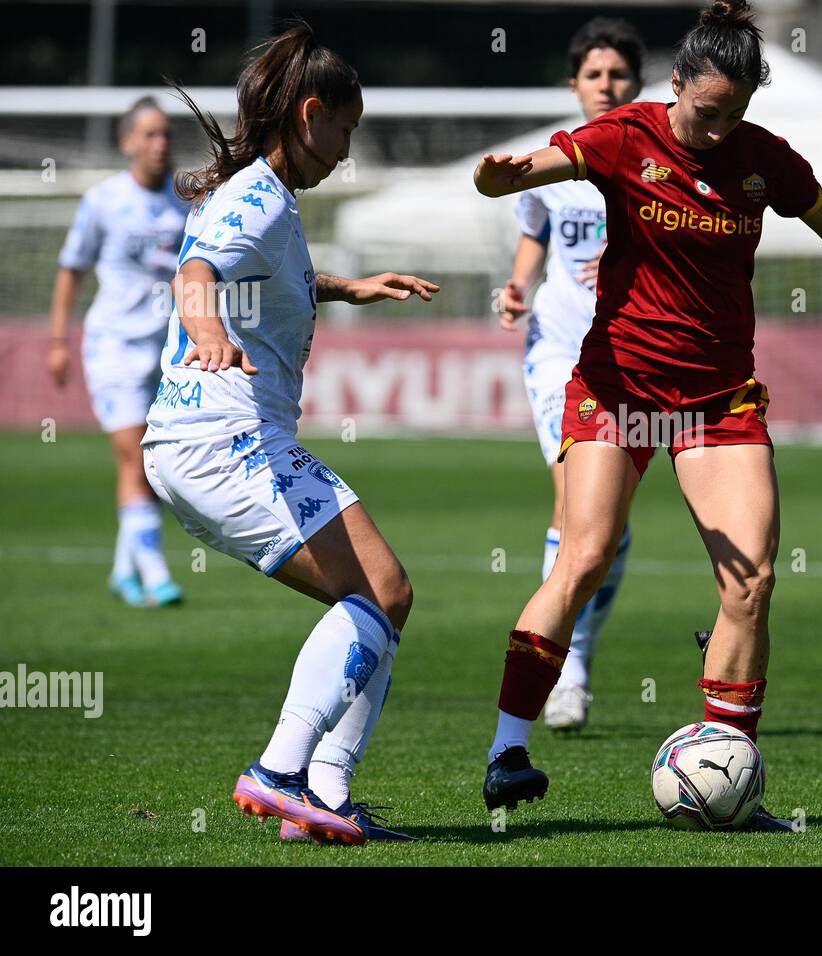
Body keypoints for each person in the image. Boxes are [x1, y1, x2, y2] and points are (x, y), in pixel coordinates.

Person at [472, 0, 822, 830]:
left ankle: (726, 769)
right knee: (582, 558)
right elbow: (544, 165)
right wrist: (502, 178)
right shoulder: (625, 135)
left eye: (736, 115)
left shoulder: (764, 161)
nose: (718, 131)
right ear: (676, 83)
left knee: (752, 581)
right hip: (618, 390)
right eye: (706, 112)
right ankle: (509, 751)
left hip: (717, 400)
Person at [142, 23, 439, 845]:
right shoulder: (254, 197)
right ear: (311, 114)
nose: (348, 147)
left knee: (389, 593)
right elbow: (196, 272)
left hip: (222, 441)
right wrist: (205, 332)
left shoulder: (269, 197)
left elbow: (269, 276)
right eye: (347, 126)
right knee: (375, 593)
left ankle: (322, 797)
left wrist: (350, 287)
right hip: (221, 439)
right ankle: (280, 773)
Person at [497, 17, 645, 731]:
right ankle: (568, 666)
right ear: (574, 84)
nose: (606, 86)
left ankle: (575, 652)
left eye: (617, 74)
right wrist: (518, 287)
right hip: (559, 350)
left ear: (639, 83)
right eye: (594, 75)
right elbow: (534, 237)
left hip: (635, 354)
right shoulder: (557, 158)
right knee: (574, 509)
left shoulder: (660, 155)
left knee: (608, 528)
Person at [48, 97, 188, 608]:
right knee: (136, 456)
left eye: (167, 134)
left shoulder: (185, 202)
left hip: (165, 352)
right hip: (113, 348)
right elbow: (72, 269)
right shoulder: (104, 200)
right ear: (127, 142)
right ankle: (155, 575)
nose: (160, 144)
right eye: (149, 135)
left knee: (148, 464)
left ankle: (122, 569)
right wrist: (60, 341)